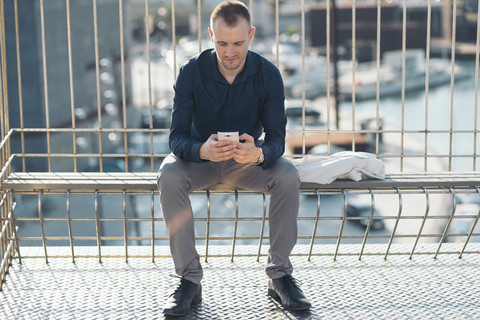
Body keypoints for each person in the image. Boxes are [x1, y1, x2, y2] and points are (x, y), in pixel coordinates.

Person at [157, 1, 311, 316]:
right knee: (169, 175)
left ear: (251, 35)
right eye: (222, 43)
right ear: (211, 35)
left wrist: (259, 153)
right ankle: (189, 281)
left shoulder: (268, 74)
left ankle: (280, 276)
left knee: (287, 175)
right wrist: (201, 150)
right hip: (201, 161)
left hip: (247, 163)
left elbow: (278, 139)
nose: (230, 52)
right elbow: (176, 137)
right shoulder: (190, 72)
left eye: (238, 43)